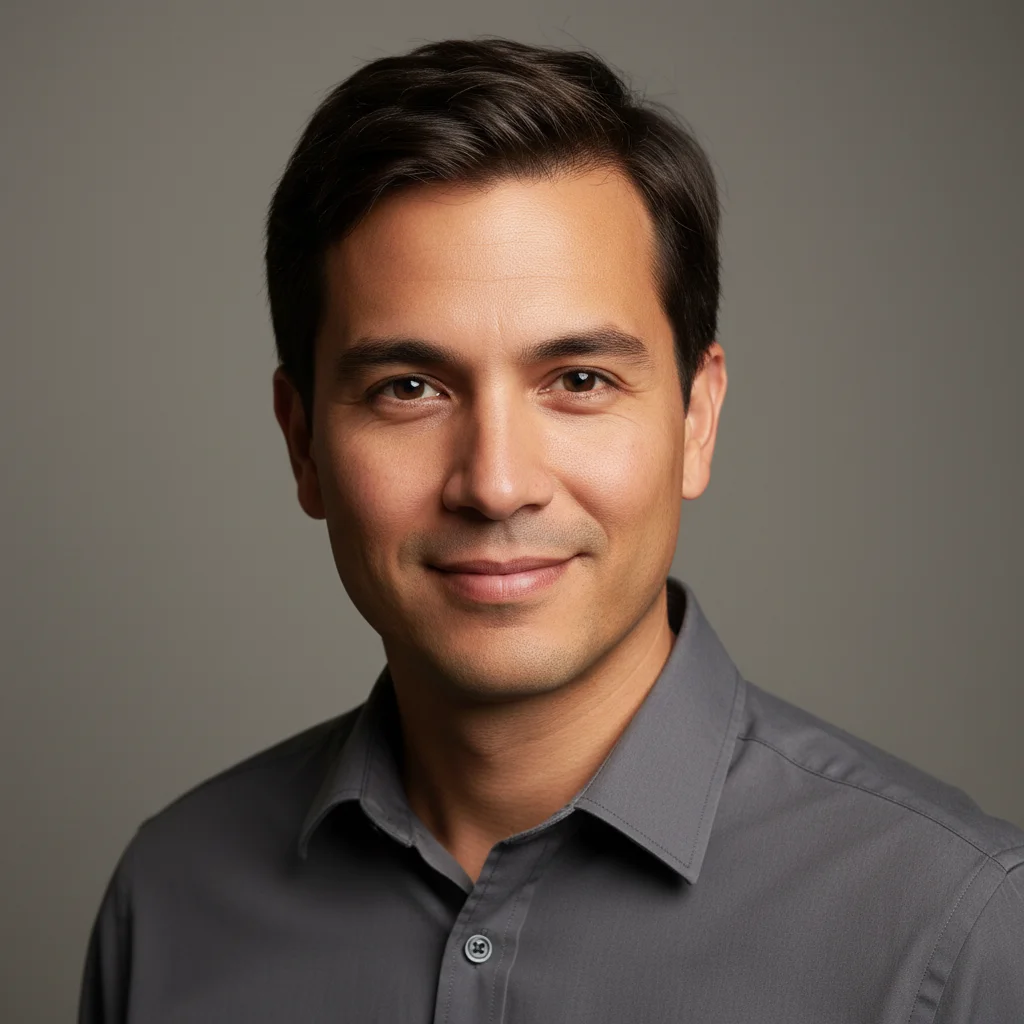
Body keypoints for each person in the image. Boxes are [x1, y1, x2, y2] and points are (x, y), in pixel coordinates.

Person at [78, 36, 1023, 1023]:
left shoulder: (955, 938)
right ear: (303, 441)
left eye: (579, 381)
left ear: (696, 420)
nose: (495, 483)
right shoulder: (170, 902)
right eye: (409, 388)